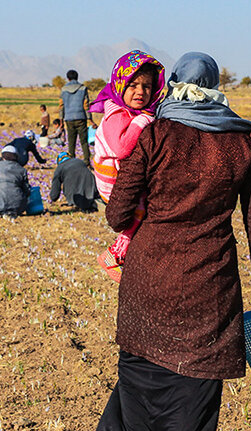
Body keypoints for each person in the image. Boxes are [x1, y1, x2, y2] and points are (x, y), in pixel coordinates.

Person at [89, 52, 251, 431]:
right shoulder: (244, 142)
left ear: (172, 84)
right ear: (217, 87)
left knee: (140, 373)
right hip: (210, 284)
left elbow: (118, 215)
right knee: (195, 394)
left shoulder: (155, 134)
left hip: (149, 280)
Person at [90, 50, 165, 283]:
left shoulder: (128, 111)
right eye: (133, 85)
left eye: (146, 86)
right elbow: (122, 148)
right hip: (110, 178)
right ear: (121, 84)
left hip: (118, 174)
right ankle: (114, 254)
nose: (141, 92)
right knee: (139, 208)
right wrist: (145, 119)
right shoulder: (116, 114)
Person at [59, 69, 97, 165]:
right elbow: (86, 105)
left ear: (68, 78)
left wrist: (61, 121)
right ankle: (86, 161)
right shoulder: (83, 88)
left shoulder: (63, 90)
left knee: (71, 141)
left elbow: (61, 106)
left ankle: (71, 162)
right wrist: (90, 119)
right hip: (81, 117)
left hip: (69, 118)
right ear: (77, 77)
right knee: (83, 141)